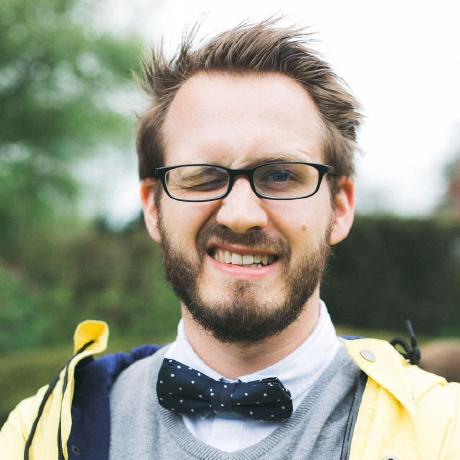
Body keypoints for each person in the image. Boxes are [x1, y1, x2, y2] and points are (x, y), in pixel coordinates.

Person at [1, 19, 460, 460]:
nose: (240, 215)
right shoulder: (40, 434)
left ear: (339, 208)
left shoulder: (443, 432)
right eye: (202, 176)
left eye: (281, 175)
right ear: (153, 208)